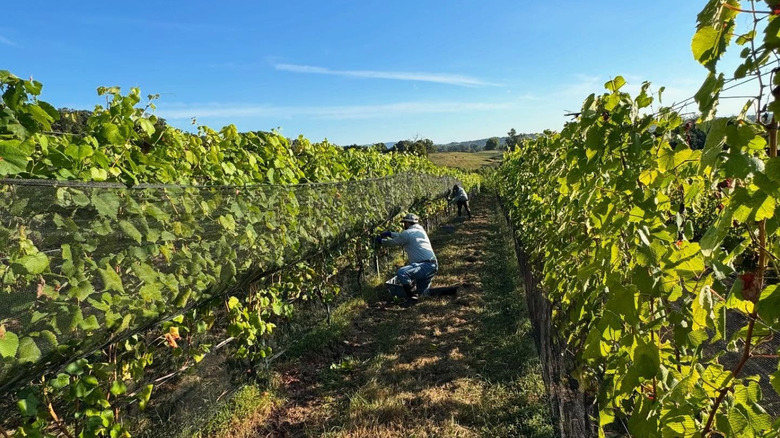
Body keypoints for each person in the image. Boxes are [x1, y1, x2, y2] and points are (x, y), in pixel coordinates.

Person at [376, 213, 438, 306]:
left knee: (402, 272)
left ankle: (412, 299)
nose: (403, 224)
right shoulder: (420, 230)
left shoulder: (408, 233)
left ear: (408, 223)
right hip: (432, 265)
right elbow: (402, 236)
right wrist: (390, 234)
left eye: (404, 222)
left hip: (424, 266)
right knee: (423, 292)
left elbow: (394, 242)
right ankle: (452, 290)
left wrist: (381, 241)